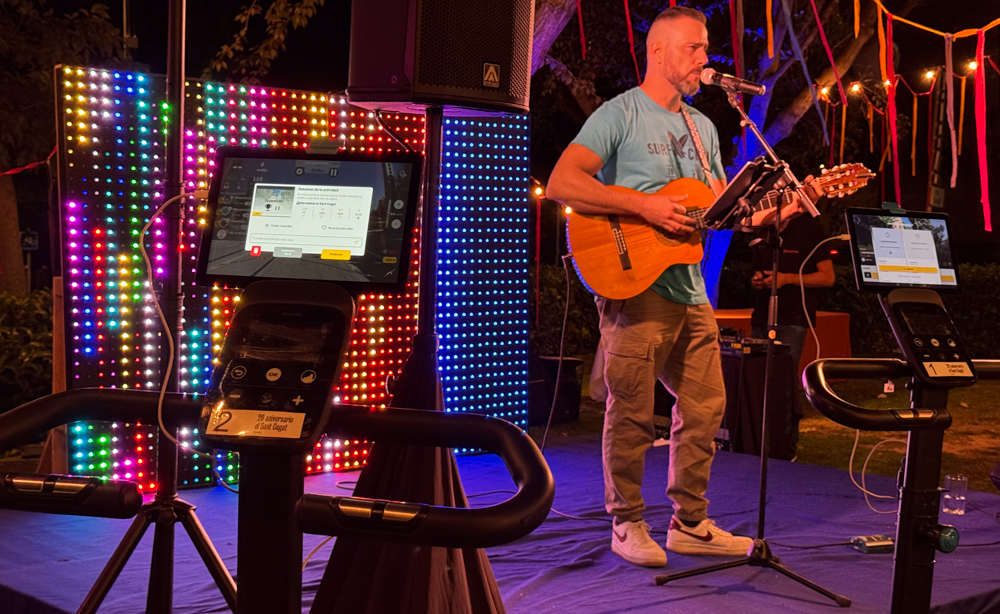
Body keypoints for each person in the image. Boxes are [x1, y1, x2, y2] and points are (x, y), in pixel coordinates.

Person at [546, 6, 813, 568]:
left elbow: (721, 211)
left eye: (706, 49)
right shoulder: (621, 113)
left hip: (690, 291)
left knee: (707, 406)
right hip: (634, 282)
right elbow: (562, 182)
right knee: (633, 411)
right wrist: (645, 205)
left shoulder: (704, 126)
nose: (704, 60)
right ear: (660, 52)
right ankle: (626, 521)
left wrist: (770, 211)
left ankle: (689, 522)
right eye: (694, 48)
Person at [750, 214, 836, 373]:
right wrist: (758, 280)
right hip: (762, 315)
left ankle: (784, 398)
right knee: (756, 373)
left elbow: (827, 277)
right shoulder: (762, 229)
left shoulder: (810, 230)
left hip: (792, 317)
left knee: (783, 374)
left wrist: (787, 279)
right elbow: (758, 270)